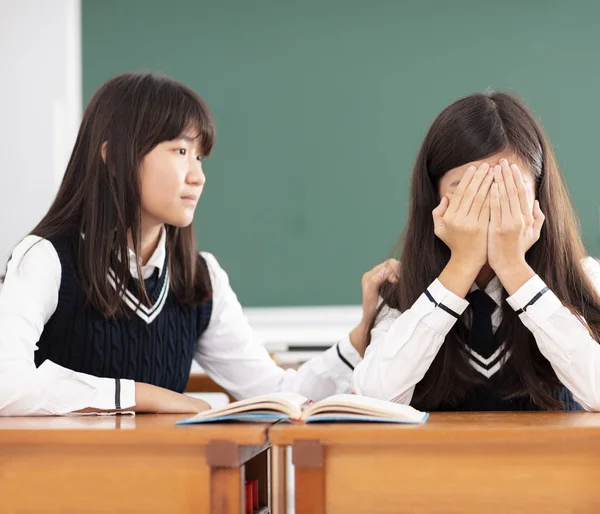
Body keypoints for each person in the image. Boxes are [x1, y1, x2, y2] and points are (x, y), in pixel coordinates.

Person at [354, 91, 600, 411]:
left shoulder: (583, 280)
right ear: (435, 198)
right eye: (468, 190)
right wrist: (461, 265)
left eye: (507, 189)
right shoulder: (406, 291)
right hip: (435, 463)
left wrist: (514, 268)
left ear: (538, 196)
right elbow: (373, 399)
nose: (488, 204)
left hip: (553, 462)